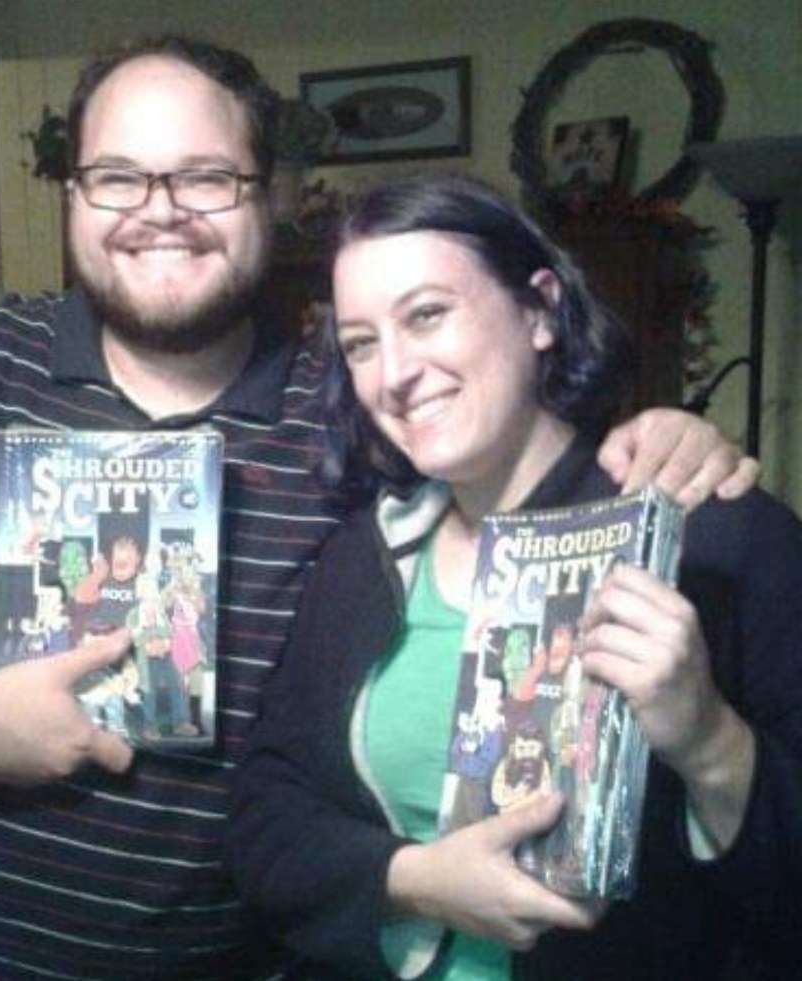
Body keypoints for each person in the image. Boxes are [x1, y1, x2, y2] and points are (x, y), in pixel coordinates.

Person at [0, 34, 756, 981]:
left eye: (206, 176)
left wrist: (665, 438)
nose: (159, 212)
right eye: (117, 175)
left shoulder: (355, 408)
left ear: (269, 195)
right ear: (74, 194)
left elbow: (512, 453)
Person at [227, 175, 801, 981]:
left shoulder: (718, 536)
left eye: (427, 314)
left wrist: (709, 743)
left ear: (537, 309)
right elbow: (264, 816)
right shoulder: (361, 558)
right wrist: (414, 881)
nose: (394, 372)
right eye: (359, 342)